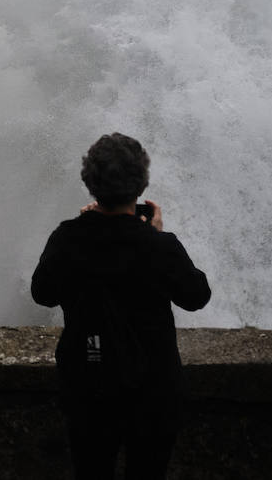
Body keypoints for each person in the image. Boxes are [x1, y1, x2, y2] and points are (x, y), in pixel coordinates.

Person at [31, 132, 212, 480]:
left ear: (90, 183)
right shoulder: (159, 246)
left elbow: (43, 293)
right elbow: (197, 296)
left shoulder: (68, 238)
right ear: (140, 186)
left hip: (88, 385)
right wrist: (156, 236)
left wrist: (86, 228)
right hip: (153, 392)